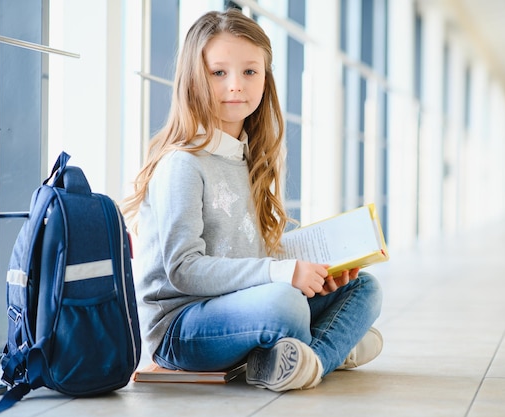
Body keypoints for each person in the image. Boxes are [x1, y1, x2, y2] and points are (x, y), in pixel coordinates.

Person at [122, 8, 383, 392]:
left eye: (249, 71)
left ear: (265, 79)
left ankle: (302, 358)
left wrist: (312, 274)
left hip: (240, 305)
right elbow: (183, 269)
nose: (236, 86)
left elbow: (247, 255)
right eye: (219, 72)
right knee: (286, 306)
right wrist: (283, 276)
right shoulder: (183, 164)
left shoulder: (245, 156)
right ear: (195, 79)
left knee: (366, 289)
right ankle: (328, 349)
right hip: (181, 329)